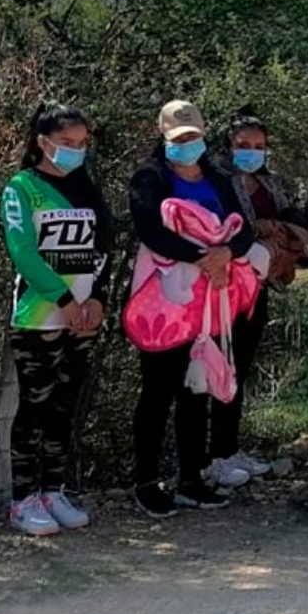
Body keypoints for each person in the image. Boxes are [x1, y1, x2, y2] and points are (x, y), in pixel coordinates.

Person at [128, 100, 256, 517]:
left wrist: (226, 252)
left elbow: (245, 227)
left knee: (195, 388)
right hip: (167, 301)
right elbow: (150, 229)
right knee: (158, 389)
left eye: (192, 137)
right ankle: (145, 479)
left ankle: (190, 476)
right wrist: (204, 256)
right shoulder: (149, 177)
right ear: (164, 137)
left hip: (212, 299)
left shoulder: (218, 179)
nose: (186, 145)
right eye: (178, 139)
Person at [0, 104, 113, 537]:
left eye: (82, 144)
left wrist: (97, 299)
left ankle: (54, 490)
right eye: (67, 144)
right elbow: (23, 250)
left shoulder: (86, 187)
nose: (75, 152)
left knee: (65, 407)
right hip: (38, 315)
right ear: (41, 142)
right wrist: (63, 299)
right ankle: (22, 498)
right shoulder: (21, 188)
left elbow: (104, 247)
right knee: (35, 407)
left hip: (83, 316)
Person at [215, 112, 308, 484]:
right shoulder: (219, 184)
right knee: (217, 368)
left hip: (258, 288)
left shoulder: (272, 185)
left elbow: (292, 215)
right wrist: (262, 229)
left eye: (258, 147)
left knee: (240, 367)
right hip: (222, 289)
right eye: (243, 146)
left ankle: (228, 448)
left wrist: (290, 231)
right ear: (228, 147)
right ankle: (212, 456)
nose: (252, 153)